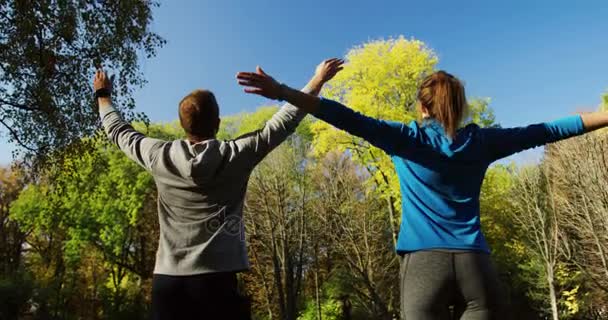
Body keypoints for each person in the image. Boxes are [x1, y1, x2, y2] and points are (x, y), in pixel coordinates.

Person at [236, 68, 608, 319]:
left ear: (422, 105)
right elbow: (550, 129)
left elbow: (340, 115)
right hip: (475, 265)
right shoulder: (482, 141)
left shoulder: (404, 138)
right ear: (459, 107)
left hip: (423, 266)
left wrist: (282, 91)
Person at [92, 58, 344, 320]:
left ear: (182, 126)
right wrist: (318, 79)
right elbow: (285, 121)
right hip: (219, 282)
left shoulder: (159, 155)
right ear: (218, 123)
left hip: (169, 283)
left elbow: (118, 131)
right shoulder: (237, 155)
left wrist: (103, 94)